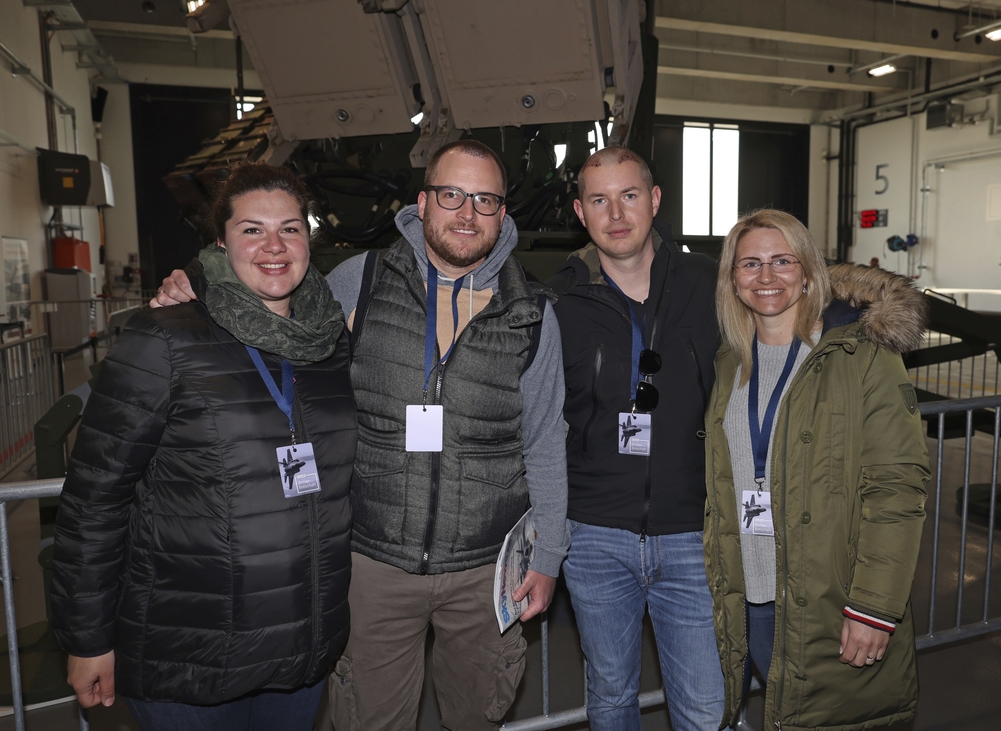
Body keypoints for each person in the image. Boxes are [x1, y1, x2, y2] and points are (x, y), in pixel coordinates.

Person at [151, 139, 570, 730]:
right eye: (451, 194)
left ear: (503, 213)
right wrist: (196, 287)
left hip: (485, 571)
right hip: (373, 565)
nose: (467, 212)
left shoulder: (532, 312)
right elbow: (270, 304)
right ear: (422, 203)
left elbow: (547, 439)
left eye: (485, 199)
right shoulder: (360, 281)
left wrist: (548, 555)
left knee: (477, 717)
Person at [50, 162, 357, 730]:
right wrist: (87, 638)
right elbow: (95, 500)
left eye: (290, 228)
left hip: (299, 650)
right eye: (252, 230)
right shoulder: (164, 337)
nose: (274, 245)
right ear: (220, 241)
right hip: (188, 655)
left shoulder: (330, 343)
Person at [703, 209, 931, 730]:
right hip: (753, 595)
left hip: (834, 603)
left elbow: (896, 488)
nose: (766, 277)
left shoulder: (862, 357)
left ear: (808, 270)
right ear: (733, 281)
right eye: (750, 264)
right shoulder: (727, 364)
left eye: (782, 261)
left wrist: (875, 607)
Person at [547, 146, 724, 730]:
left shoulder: (711, 286)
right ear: (580, 210)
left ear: (654, 200)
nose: (615, 213)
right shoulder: (560, 301)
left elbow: (792, 304)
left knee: (703, 706)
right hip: (595, 536)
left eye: (628, 196)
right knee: (611, 698)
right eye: (599, 199)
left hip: (691, 535)